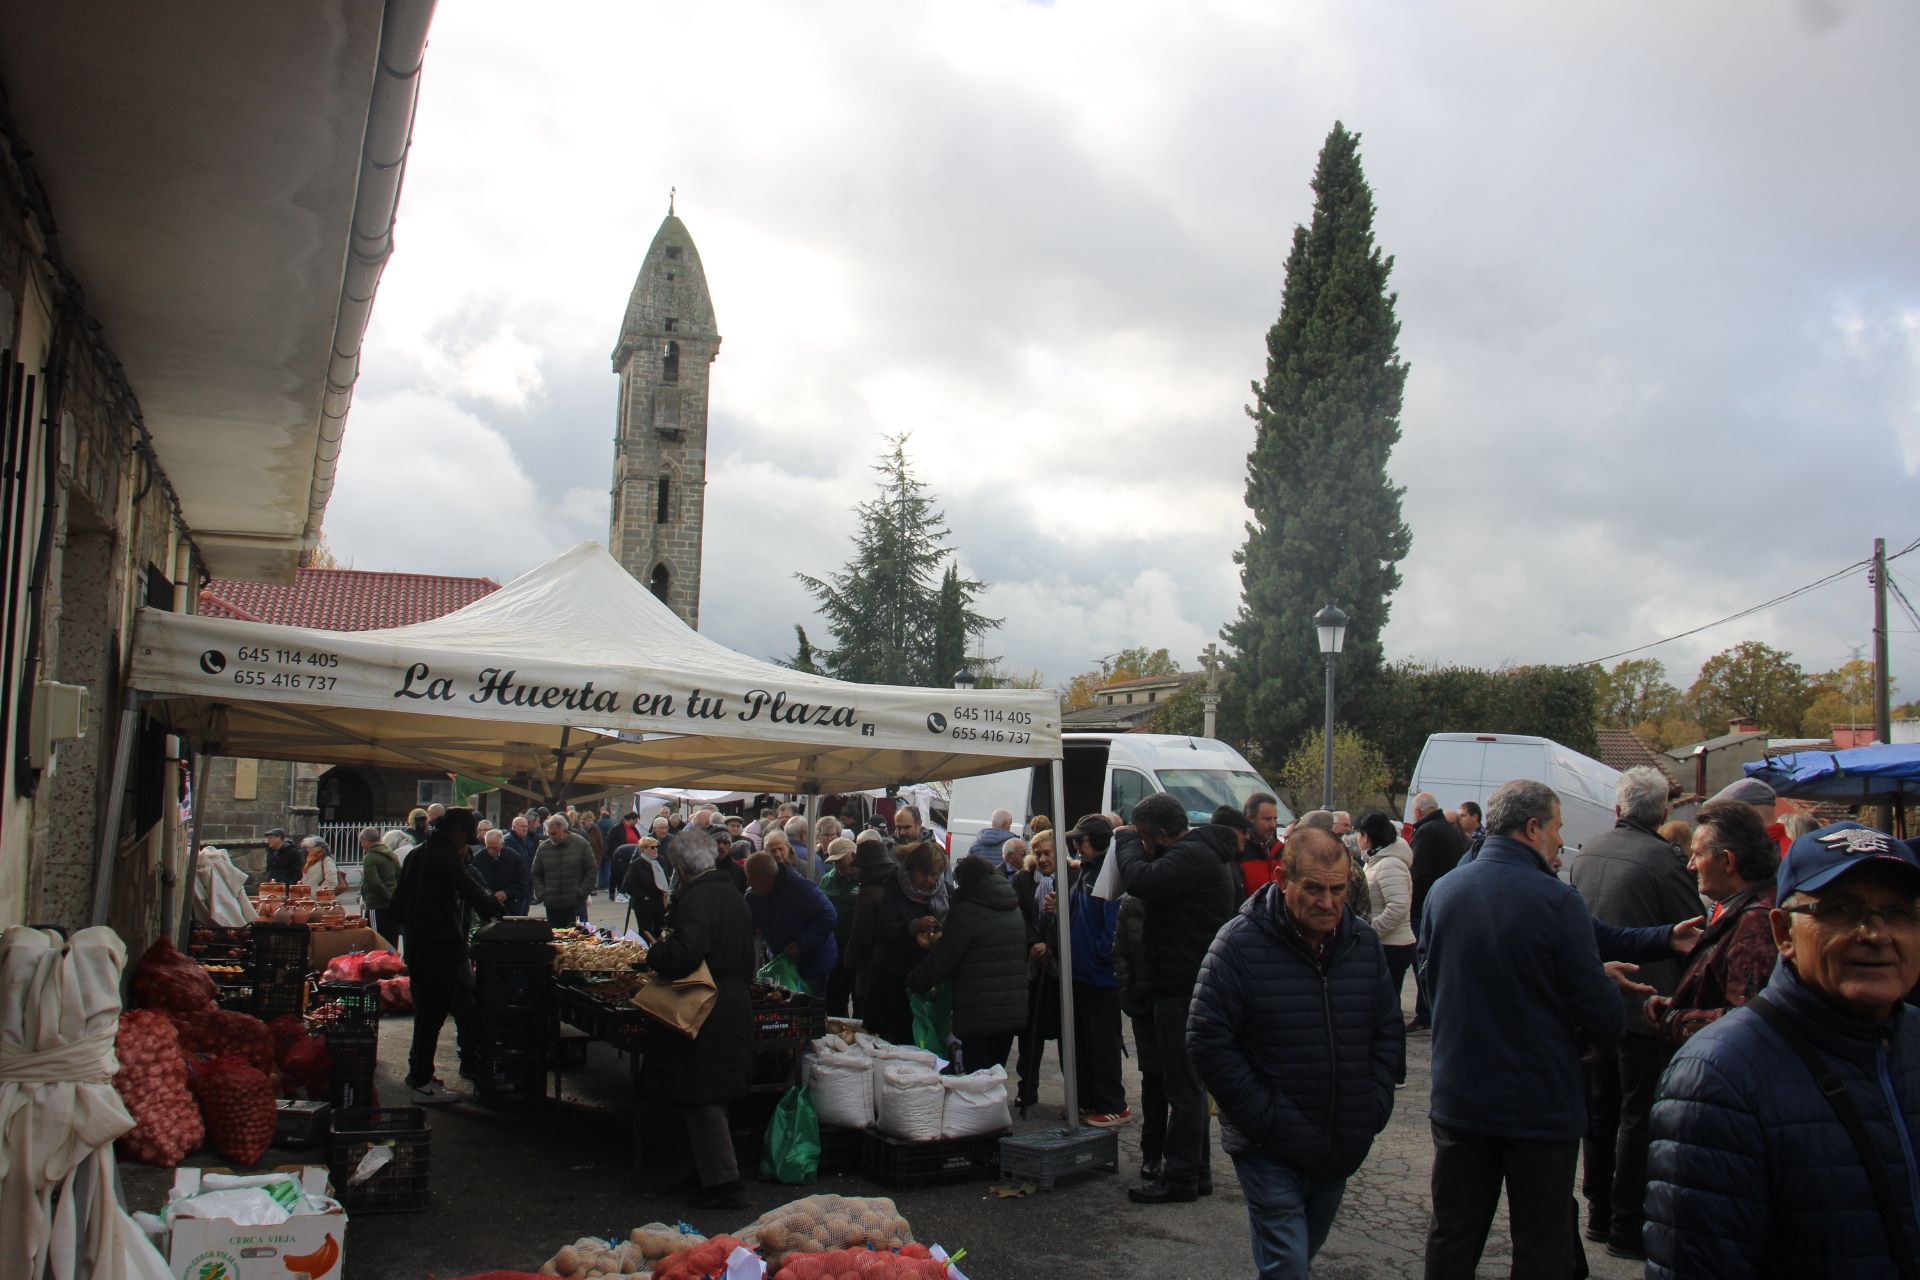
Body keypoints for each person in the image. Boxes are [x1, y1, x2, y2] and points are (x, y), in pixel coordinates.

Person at [1645, 821, 1920, 1277]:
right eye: (1840, 909)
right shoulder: (1719, 1076)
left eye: (1899, 912)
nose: (1875, 934)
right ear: (1784, 933)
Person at [1418, 779, 1622, 1278]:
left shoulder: (1445, 891)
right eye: (1557, 829)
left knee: (1453, 1235)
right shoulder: (1557, 901)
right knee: (1540, 1243)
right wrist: (1598, 1015)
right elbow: (1601, 1014)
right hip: (1539, 1106)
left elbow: (1431, 984)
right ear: (1532, 828)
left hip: (1460, 1099)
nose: (1559, 841)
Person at [1190, 827, 1403, 1279]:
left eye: (1338, 889)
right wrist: (1264, 1118)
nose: (1327, 902)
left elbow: (1386, 1031)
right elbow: (1207, 1039)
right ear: (1283, 877)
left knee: (1298, 1252)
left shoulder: (1362, 945)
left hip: (1340, 1138)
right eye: (1314, 888)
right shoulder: (1238, 944)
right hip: (1269, 1145)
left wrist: (1373, 1104)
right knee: (1287, 1262)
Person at [1568, 765, 1706, 1259]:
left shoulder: (1588, 851)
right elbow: (1694, 930)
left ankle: (1599, 1213)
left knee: (1601, 1112)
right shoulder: (1667, 860)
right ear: (1664, 812)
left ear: (1618, 808)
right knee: (1635, 1117)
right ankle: (1625, 1224)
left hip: (1600, 1003)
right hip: (1646, 1005)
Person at [1114, 792, 1241, 1204]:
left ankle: (1183, 1176)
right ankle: (1195, 1171)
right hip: (1190, 981)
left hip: (1182, 985)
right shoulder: (1198, 852)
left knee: (1183, 1088)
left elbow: (1141, 880)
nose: (1144, 846)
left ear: (1163, 835)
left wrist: (1126, 842)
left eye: (1147, 839)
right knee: (1189, 1085)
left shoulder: (1190, 856)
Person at [642, 827, 755, 1210]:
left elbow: (686, 954)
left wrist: (658, 953)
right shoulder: (732, 893)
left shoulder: (696, 899)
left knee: (703, 1094)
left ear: (681, 869)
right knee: (711, 1094)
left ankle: (724, 1183)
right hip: (732, 998)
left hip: (707, 1003)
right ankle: (706, 1172)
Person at [389, 807, 503, 1104]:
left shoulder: (418, 853)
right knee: (435, 1013)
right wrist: (495, 909)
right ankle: (421, 1081)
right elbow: (470, 889)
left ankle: (421, 1073)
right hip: (439, 946)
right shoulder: (443, 856)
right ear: (458, 832)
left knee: (429, 1012)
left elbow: (398, 904)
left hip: (420, 943)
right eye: (468, 836)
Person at [1643, 798, 1780, 1046]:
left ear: (1728, 861)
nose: (1690, 866)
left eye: (1697, 854)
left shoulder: (1755, 924)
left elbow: (1751, 1024)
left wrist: (1676, 1019)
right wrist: (1678, 1004)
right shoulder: (1751, 910)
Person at [907, 854, 1028, 1071]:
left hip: (978, 1011)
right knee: (995, 1072)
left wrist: (916, 981)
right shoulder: (1012, 907)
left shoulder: (967, 911)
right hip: (1011, 1009)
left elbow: (945, 958)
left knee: (978, 1079)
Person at [1064, 814, 1128, 1127]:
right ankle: (1090, 1100)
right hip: (1082, 973)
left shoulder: (1107, 873)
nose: (1076, 844)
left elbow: (1113, 922)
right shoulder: (1087, 871)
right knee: (1087, 1042)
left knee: (1103, 1044)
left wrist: (1102, 957)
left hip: (1100, 977)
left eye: (1082, 839)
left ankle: (1113, 1104)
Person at [851, 840, 948, 1045]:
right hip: (890, 982)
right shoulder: (893, 888)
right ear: (912, 870)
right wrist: (913, 926)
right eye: (924, 874)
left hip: (922, 983)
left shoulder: (944, 893)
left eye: (934, 875)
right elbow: (884, 928)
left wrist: (935, 940)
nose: (929, 881)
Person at [1357, 810, 1415, 1081]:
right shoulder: (1376, 861)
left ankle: (1396, 1071)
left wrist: (1370, 930)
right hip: (1385, 943)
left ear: (1366, 836)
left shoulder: (1390, 864)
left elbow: (1399, 907)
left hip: (1393, 945)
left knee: (1389, 1011)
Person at [1113, 888, 1166, 1182]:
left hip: (1180, 1001)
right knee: (1154, 1079)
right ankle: (1152, 1152)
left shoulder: (1189, 893)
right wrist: (1129, 992)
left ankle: (1195, 1160)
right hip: (1146, 1004)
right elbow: (1120, 952)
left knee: (1186, 1086)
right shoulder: (1132, 904)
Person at [1407, 791, 1469, 1032]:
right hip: (1444, 902)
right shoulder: (1448, 830)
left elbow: (1419, 872)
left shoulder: (1427, 831)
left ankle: (1426, 1011)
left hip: (1425, 905)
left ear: (1418, 811)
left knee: (1422, 961)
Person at [1012, 830, 1063, 1114]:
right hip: (1032, 967)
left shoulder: (1072, 877)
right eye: (1038, 853)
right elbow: (1019, 915)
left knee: (1068, 1036)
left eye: (1048, 853)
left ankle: (1075, 1095)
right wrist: (1035, 944)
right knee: (1030, 1035)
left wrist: (1051, 946)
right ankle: (1027, 1088)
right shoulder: (1022, 880)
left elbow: (1074, 919)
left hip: (1061, 970)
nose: (1043, 859)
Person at [744, 851, 839, 994]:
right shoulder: (753, 897)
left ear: (768, 877)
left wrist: (801, 944)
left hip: (813, 963)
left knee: (809, 1007)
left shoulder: (800, 888)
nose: (748, 883)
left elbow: (829, 915)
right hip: (781, 961)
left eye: (752, 878)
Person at [843, 832, 900, 1021]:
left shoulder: (868, 894)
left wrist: (849, 962)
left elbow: (861, 936)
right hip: (896, 965)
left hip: (873, 965)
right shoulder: (898, 885)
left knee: (867, 1018)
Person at [817, 837, 861, 1016]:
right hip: (834, 945)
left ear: (852, 856)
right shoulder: (827, 879)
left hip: (857, 946)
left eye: (840, 860)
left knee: (859, 996)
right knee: (835, 994)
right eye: (833, 861)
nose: (837, 865)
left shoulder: (866, 878)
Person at [531, 813, 596, 926]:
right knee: (555, 939)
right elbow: (536, 873)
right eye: (549, 833)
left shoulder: (581, 844)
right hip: (552, 905)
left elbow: (591, 870)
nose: (551, 836)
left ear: (565, 830)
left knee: (576, 939)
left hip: (575, 904)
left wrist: (581, 892)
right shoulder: (544, 848)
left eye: (554, 833)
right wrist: (542, 893)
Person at [620, 836, 671, 939]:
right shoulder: (637, 865)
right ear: (644, 849)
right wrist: (643, 897)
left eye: (657, 847)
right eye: (652, 847)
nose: (655, 849)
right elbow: (628, 884)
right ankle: (644, 953)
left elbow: (668, 875)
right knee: (645, 932)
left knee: (660, 932)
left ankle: (658, 953)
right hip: (644, 905)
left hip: (660, 903)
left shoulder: (661, 860)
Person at [471, 828, 530, 915]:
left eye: (495, 848)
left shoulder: (514, 858)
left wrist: (507, 893)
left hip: (510, 905)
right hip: (486, 906)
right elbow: (474, 883)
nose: (491, 851)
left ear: (502, 844)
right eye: (488, 847)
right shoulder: (477, 859)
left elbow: (521, 882)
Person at [1239, 792, 1285, 900]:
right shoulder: (1238, 853)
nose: (1273, 825)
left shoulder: (1284, 850)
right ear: (1250, 818)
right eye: (1267, 819)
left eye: (1275, 818)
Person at [357, 827, 401, 939]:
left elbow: (375, 882)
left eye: (361, 842)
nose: (362, 845)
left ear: (365, 840)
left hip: (376, 903)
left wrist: (387, 896)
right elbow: (399, 875)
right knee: (391, 938)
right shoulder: (391, 854)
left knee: (377, 939)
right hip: (392, 903)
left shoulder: (370, 857)